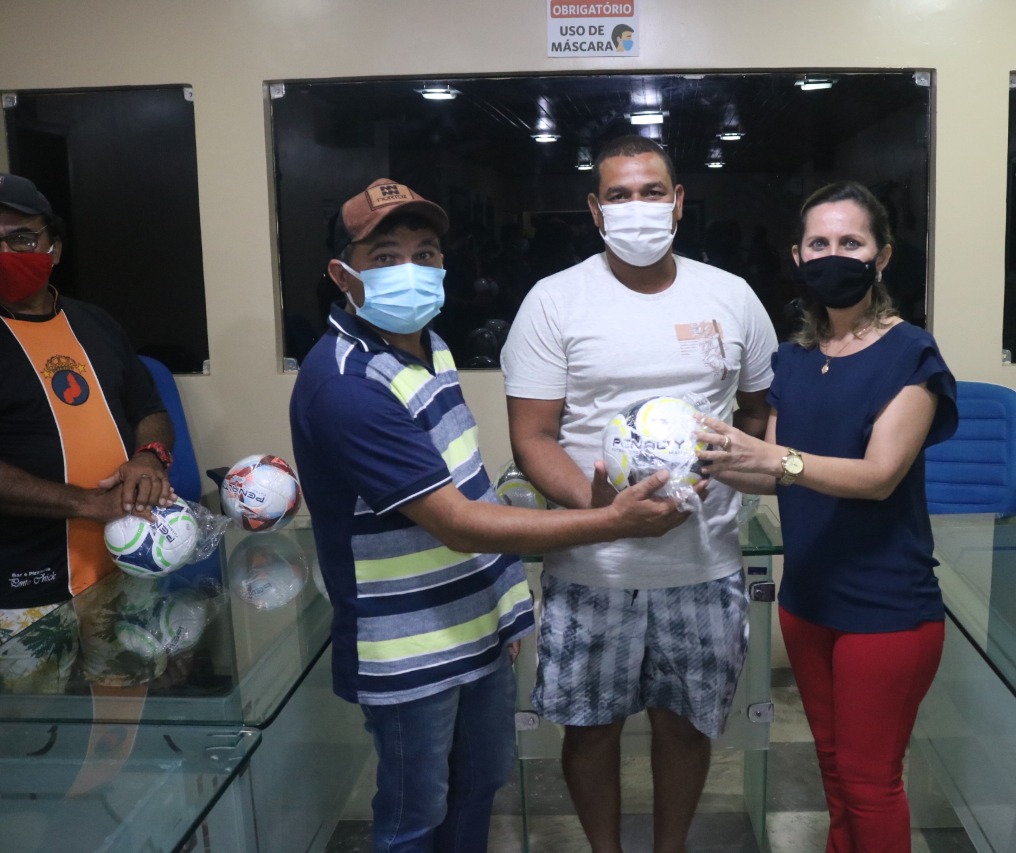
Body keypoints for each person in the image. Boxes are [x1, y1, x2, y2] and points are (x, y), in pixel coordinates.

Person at [288, 178, 691, 853]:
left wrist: (502, 609)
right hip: (408, 649)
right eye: (385, 257)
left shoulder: (427, 346)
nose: (411, 269)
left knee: (478, 788)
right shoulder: (346, 384)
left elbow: (468, 481)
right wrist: (612, 521)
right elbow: (456, 521)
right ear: (342, 274)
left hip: (473, 628)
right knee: (415, 815)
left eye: (425, 252)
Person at [501, 136, 776, 853]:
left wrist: (732, 473)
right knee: (590, 728)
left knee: (685, 726)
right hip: (593, 565)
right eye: (619, 195)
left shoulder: (731, 296)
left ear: (678, 201)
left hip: (704, 562)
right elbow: (533, 437)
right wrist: (602, 515)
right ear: (595, 210)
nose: (637, 207)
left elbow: (758, 412)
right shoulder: (554, 301)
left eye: (652, 192)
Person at [696, 180, 958, 853]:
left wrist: (772, 456)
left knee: (871, 784)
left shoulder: (911, 355)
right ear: (798, 255)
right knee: (836, 775)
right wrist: (703, 459)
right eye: (819, 243)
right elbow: (770, 470)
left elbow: (877, 476)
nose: (833, 255)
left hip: (886, 607)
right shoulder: (793, 359)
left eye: (851, 242)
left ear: (882, 256)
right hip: (808, 601)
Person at [0, 172, 177, 641]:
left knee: (129, 688)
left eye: (22, 238)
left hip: (125, 569)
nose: (6, 253)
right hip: (24, 595)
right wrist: (86, 503)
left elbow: (149, 409)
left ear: (54, 248)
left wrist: (149, 457)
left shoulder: (95, 323)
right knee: (37, 695)